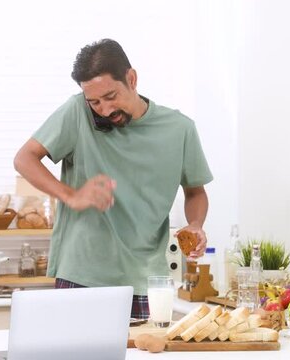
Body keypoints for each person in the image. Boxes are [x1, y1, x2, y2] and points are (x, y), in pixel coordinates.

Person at [13, 39, 213, 319]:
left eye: (110, 97)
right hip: (82, 276)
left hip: (146, 281)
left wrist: (195, 224)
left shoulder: (180, 129)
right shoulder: (77, 112)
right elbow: (25, 158)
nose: (104, 110)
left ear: (131, 79)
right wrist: (71, 195)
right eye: (94, 101)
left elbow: (195, 192)